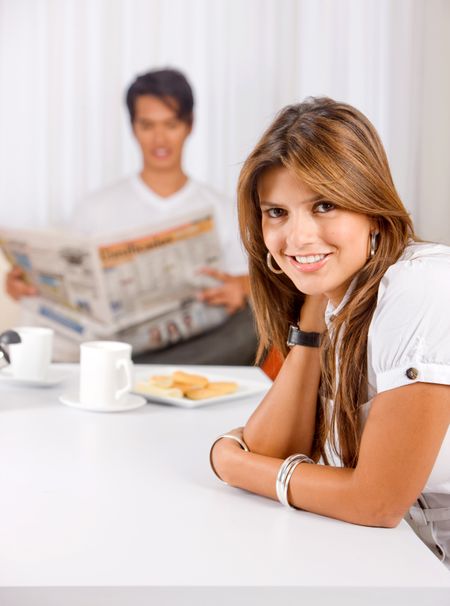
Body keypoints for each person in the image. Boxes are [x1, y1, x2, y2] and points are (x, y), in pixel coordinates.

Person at [210, 97, 450, 566]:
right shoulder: (341, 297)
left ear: (373, 210)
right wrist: (313, 315)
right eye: (275, 212)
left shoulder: (420, 286)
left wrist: (233, 465)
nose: (296, 238)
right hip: (406, 557)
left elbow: (377, 502)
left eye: (323, 205)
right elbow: (273, 448)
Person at [5, 68, 257, 365]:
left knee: (253, 322)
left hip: (192, 344)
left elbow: (250, 283)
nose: (159, 139)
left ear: (189, 125)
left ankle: (138, 374)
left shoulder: (220, 208)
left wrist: (240, 288)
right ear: (133, 127)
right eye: (147, 125)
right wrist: (25, 283)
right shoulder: (95, 208)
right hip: (110, 345)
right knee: (36, 328)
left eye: (171, 124)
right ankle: (128, 371)